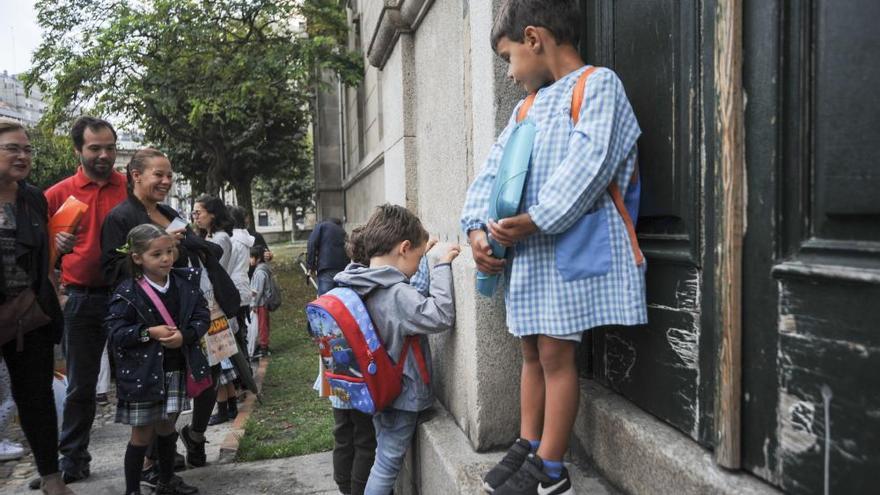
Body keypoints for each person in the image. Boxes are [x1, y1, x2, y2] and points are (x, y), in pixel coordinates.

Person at [460, 2, 647, 493]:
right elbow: (489, 174)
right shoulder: (526, 108)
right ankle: (527, 443)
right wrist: (477, 229)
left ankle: (550, 467)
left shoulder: (598, 87)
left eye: (507, 57)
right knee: (530, 351)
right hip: (529, 259)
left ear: (534, 38)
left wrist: (537, 218)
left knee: (556, 356)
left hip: (565, 250)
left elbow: (590, 164)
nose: (507, 73)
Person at [101, 148, 240, 474]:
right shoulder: (121, 217)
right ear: (136, 175)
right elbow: (110, 272)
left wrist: (187, 244)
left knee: (209, 375)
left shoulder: (168, 210)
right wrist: (162, 245)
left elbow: (206, 250)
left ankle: (193, 437)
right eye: (158, 175)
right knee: (165, 391)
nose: (166, 181)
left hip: (202, 307)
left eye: (169, 175)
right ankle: (154, 462)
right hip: (158, 321)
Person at [333, 204, 460, 495]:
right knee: (387, 463)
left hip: (377, 388)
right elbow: (440, 315)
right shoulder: (396, 294)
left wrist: (425, 256)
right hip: (401, 394)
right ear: (404, 248)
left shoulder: (359, 281)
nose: (419, 264)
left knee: (382, 452)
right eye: (417, 257)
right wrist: (440, 265)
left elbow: (404, 289)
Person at [42, 116, 128, 485]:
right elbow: (37, 253)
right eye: (96, 148)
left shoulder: (130, 186)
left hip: (128, 296)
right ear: (78, 149)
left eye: (110, 147)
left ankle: (156, 454)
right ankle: (72, 460)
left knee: (143, 377)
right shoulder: (58, 194)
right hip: (81, 299)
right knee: (80, 385)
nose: (105, 155)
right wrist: (53, 256)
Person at [106, 224, 208, 495]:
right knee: (141, 435)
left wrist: (186, 336)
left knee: (167, 427)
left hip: (175, 368)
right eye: (157, 254)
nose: (166, 259)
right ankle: (132, 490)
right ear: (137, 258)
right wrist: (148, 332)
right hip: (144, 373)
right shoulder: (127, 293)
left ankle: (166, 481)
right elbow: (115, 332)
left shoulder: (184, 285)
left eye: (169, 251)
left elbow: (202, 316)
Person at [0, 119, 73, 494]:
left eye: (27, 149)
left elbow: (42, 259)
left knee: (37, 399)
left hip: (29, 316)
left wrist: (59, 246)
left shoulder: (32, 198)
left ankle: (51, 478)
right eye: (13, 148)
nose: (23, 155)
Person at [191, 196, 238, 425]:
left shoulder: (219, 239)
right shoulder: (208, 236)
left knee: (218, 357)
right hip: (212, 301)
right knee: (222, 356)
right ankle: (228, 406)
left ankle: (223, 407)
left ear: (213, 214)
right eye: (194, 213)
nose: (195, 216)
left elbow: (215, 263)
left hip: (215, 303)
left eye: (199, 212)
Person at [306, 218, 349, 295]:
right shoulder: (342, 231)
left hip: (327, 269)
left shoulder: (321, 226)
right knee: (339, 298)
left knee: (325, 300)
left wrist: (310, 266)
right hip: (343, 269)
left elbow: (311, 244)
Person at [249, 246, 275, 358]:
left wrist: (254, 304)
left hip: (261, 303)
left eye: (251, 257)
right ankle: (264, 345)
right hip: (262, 303)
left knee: (262, 325)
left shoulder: (260, 272)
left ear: (258, 259)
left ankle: (263, 348)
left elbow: (259, 291)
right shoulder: (262, 269)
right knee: (263, 324)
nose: (249, 260)